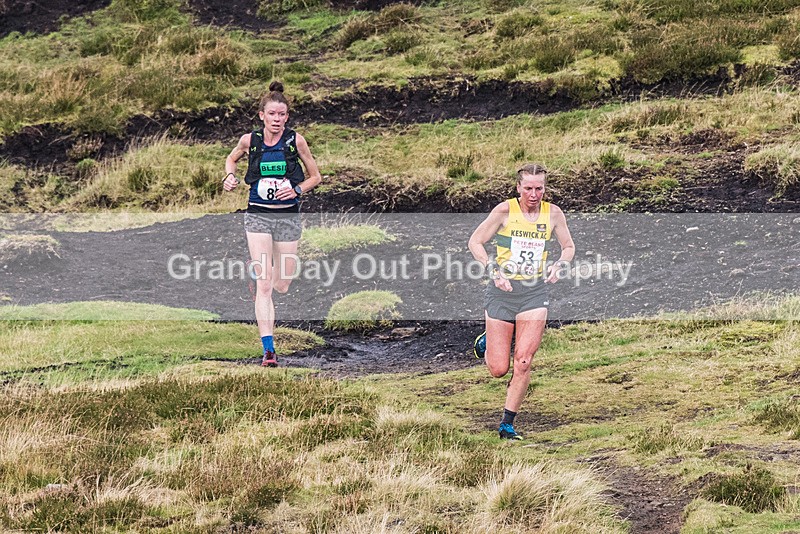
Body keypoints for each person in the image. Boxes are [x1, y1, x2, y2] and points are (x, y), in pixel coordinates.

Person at [467, 163, 574, 440]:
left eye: (539, 188)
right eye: (528, 188)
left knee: (524, 361)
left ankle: (507, 424)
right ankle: (488, 342)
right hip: (501, 291)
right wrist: (492, 268)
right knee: (498, 369)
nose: (534, 194)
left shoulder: (553, 214)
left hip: (534, 293)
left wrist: (561, 264)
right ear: (518, 188)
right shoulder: (504, 211)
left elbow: (568, 247)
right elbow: (475, 242)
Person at [223, 81, 322, 367]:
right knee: (265, 285)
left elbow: (315, 177)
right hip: (257, 215)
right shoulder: (249, 140)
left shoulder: (295, 141)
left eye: (282, 115)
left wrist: (298, 189)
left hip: (288, 216)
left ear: (287, 117)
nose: (277, 120)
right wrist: (228, 176)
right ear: (262, 115)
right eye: (272, 114)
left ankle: (263, 274)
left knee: (283, 284)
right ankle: (269, 350)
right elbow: (231, 159)